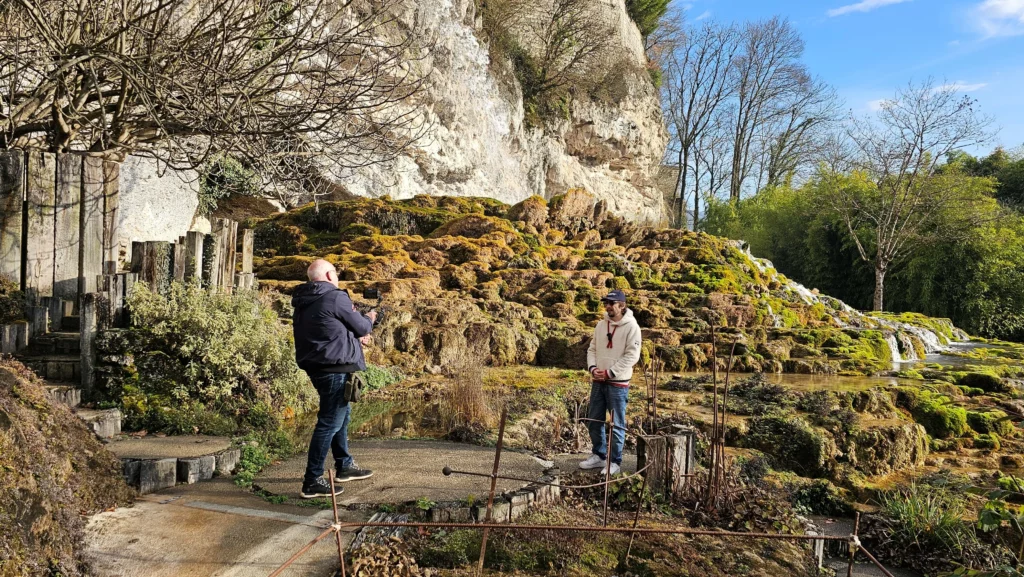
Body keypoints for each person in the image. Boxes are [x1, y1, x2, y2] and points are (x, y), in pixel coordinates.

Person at [292, 259, 376, 499]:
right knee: (329, 422)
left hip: (319, 367)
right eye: (336, 273)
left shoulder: (305, 300)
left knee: (342, 414)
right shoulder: (336, 296)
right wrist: (369, 318)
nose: (337, 277)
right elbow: (361, 326)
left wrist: (354, 338)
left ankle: (345, 465)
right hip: (335, 369)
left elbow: (326, 331)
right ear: (329, 275)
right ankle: (312, 481)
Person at [580, 289, 642, 476]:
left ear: (621, 305)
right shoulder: (600, 325)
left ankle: (615, 461)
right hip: (599, 380)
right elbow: (592, 349)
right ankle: (599, 455)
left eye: (611, 303)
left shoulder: (632, 327)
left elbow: (632, 355)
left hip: (618, 383)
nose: (607, 306)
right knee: (594, 420)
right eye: (605, 302)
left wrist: (610, 373)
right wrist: (593, 369)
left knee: (617, 424)